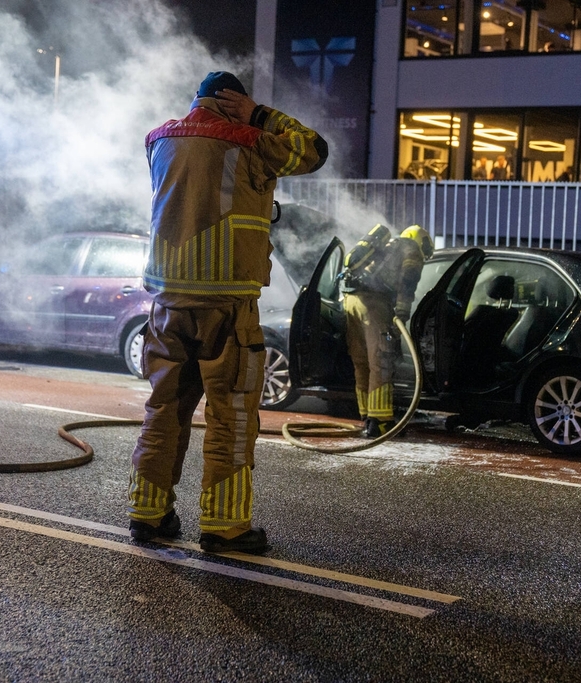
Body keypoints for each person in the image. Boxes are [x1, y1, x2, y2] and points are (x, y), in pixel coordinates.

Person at [127, 71, 328, 554]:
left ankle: (148, 513)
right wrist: (259, 114)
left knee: (164, 410)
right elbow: (314, 149)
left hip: (167, 303)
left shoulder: (158, 140)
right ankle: (225, 525)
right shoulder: (250, 140)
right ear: (231, 100)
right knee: (231, 415)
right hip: (227, 304)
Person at [341, 224, 434, 438]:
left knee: (362, 362)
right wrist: (402, 312)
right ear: (423, 241)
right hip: (374, 304)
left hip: (351, 300)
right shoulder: (411, 250)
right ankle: (381, 423)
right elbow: (408, 281)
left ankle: (366, 417)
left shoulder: (387, 247)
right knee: (381, 362)